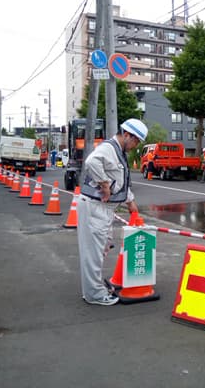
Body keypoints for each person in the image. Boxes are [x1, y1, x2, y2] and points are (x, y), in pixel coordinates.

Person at [77, 118, 147, 306]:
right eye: (136, 141)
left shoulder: (119, 152)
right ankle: (94, 294)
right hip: (95, 207)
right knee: (93, 253)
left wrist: (131, 202)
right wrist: (104, 184)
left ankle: (94, 288)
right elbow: (91, 162)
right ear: (127, 135)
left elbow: (121, 181)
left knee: (103, 247)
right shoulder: (109, 148)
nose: (135, 146)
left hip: (103, 209)